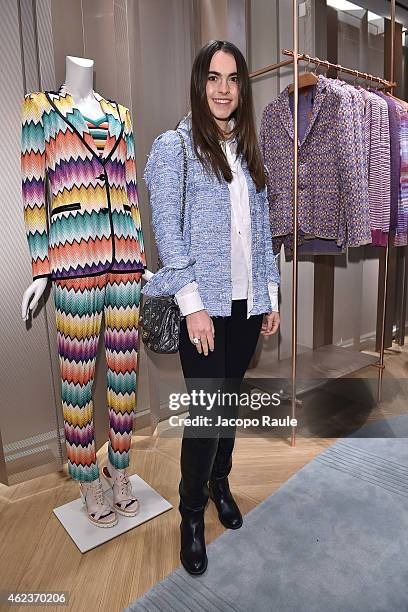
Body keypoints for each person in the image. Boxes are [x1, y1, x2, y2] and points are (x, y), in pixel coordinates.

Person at [142, 40, 280, 575]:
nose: (223, 89)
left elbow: (262, 232)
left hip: (247, 304)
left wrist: (270, 295)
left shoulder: (248, 149)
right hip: (203, 306)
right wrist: (192, 306)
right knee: (205, 415)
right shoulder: (174, 148)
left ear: (242, 87)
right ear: (200, 84)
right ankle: (192, 517)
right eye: (213, 78)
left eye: (233, 79)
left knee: (229, 407)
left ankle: (221, 482)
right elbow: (168, 237)